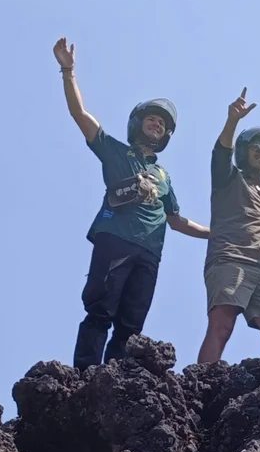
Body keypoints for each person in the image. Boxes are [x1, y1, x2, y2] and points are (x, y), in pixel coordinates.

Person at [53, 38, 209, 371]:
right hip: (116, 241)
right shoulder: (116, 152)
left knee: (131, 324)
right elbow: (80, 115)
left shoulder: (163, 174)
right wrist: (68, 71)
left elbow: (177, 220)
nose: (157, 124)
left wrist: (216, 232)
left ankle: (117, 382)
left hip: (150, 253)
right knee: (100, 311)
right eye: (152, 119)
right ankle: (84, 377)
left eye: (162, 124)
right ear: (138, 123)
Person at [196, 89, 260, 364]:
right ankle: (200, 385)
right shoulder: (228, 179)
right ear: (244, 152)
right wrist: (232, 121)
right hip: (230, 259)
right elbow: (220, 153)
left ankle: (256, 392)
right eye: (257, 147)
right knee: (222, 326)